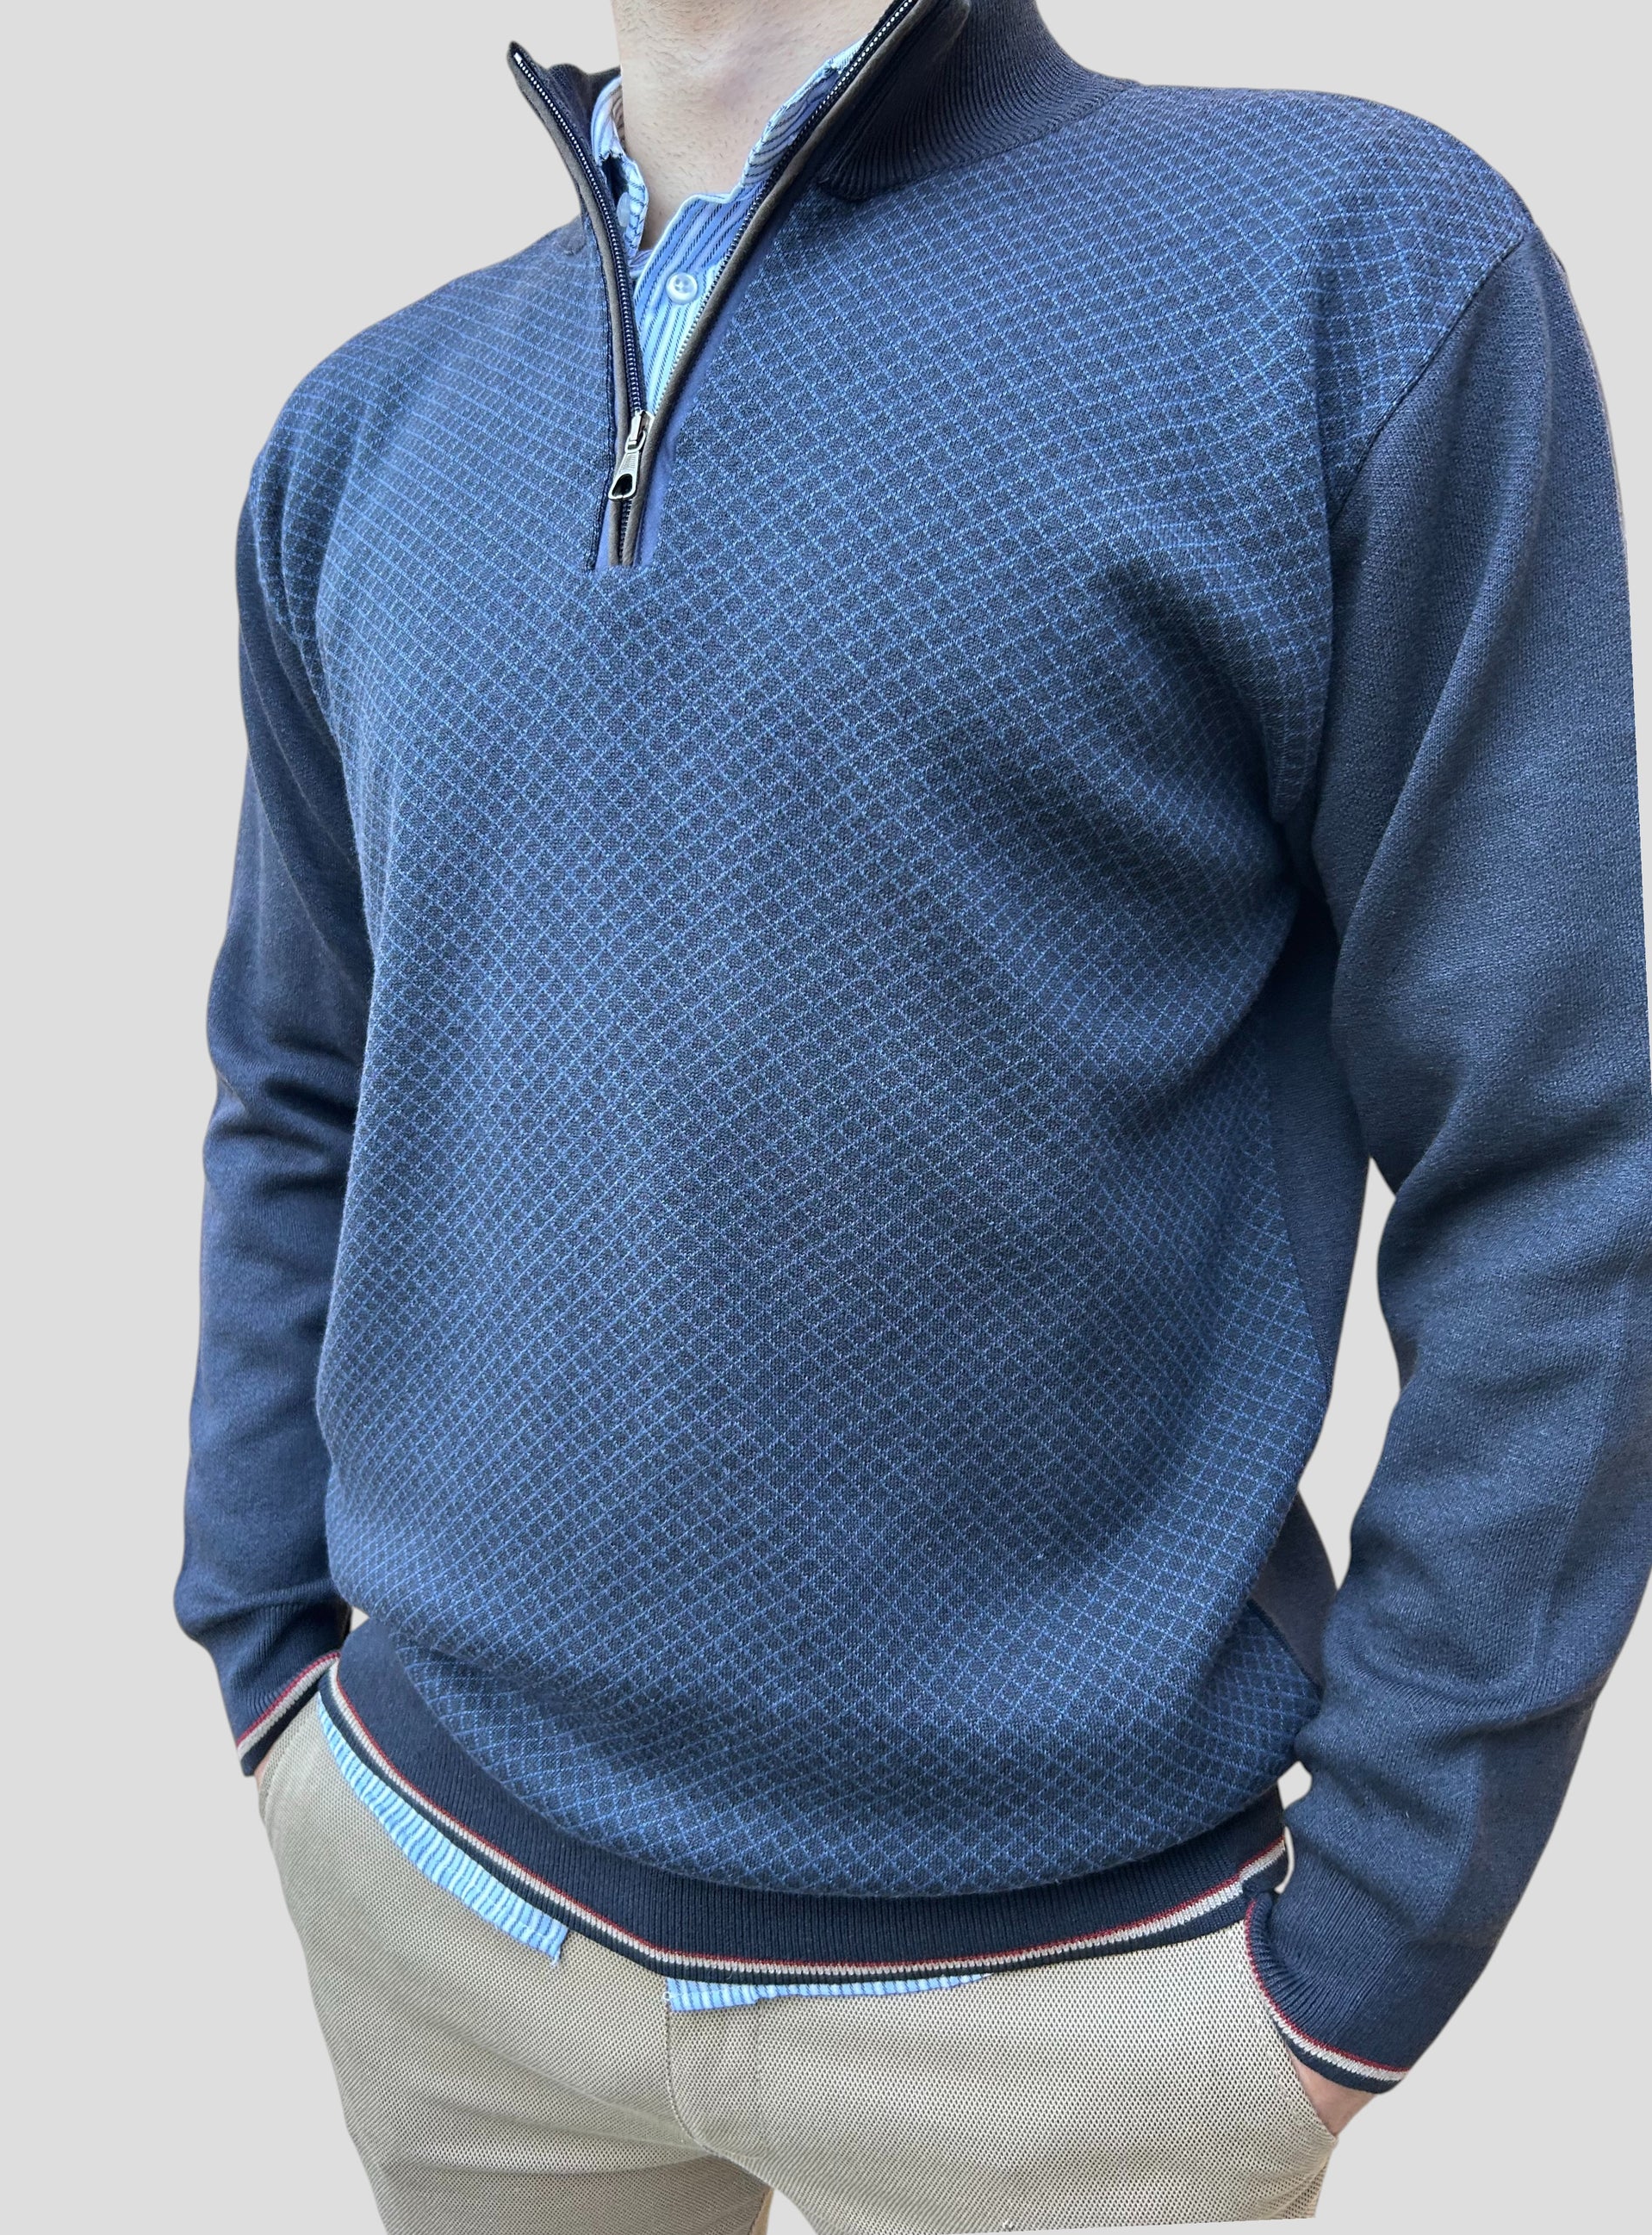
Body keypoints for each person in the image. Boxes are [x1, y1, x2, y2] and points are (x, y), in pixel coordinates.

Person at [176, 1, 1651, 2227]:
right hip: (440, 1911)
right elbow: (303, 1080)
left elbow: (1553, 1164)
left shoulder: (1348, 277)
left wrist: (1371, 1937)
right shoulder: (362, 433)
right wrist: (271, 1660)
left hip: (1074, 2003)